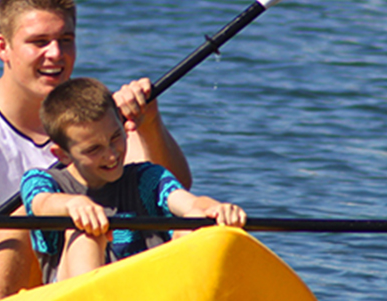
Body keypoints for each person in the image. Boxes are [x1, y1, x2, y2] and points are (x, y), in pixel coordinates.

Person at [0, 0, 191, 301]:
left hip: (84, 268)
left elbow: (170, 191)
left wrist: (149, 123)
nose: (55, 54)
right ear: (3, 47)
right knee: (21, 216)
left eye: (65, 40)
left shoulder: (98, 117)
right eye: (39, 42)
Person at [20, 77, 246, 283]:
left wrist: (216, 209)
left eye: (115, 137)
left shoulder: (147, 178)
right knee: (86, 233)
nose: (111, 154)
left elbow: (191, 203)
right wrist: (72, 204)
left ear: (123, 126)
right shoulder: (43, 181)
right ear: (63, 155)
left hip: (150, 297)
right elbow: (41, 202)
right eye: (94, 149)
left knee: (197, 221)